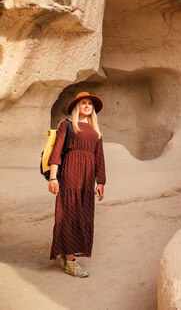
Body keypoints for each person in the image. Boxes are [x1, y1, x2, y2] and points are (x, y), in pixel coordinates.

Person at [48, 91, 106, 277]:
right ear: (76, 107)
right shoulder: (67, 125)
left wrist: (101, 182)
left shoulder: (96, 132)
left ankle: (62, 254)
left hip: (87, 179)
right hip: (70, 174)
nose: (87, 106)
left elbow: (100, 158)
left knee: (82, 214)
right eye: (83, 103)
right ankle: (71, 262)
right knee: (69, 213)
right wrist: (53, 177)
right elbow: (56, 153)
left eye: (90, 103)